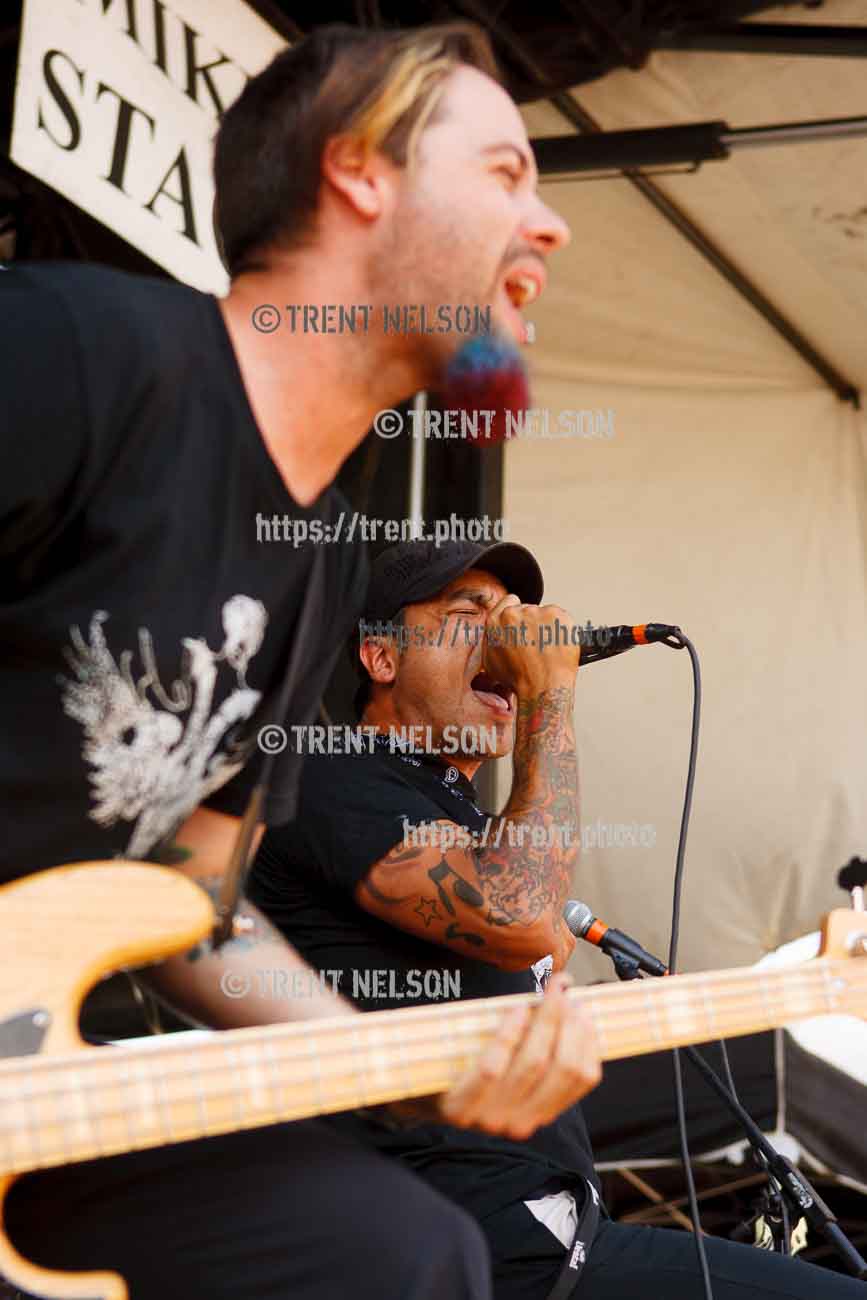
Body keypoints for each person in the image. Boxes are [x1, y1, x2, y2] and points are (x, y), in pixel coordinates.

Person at [0, 23, 601, 1300]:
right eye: (506, 173)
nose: (547, 226)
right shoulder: (80, 357)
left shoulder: (316, 553)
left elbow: (192, 890)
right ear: (359, 172)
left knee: (400, 1252)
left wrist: (399, 1061)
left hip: (38, 1085)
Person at [249, 537, 867, 1300]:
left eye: (512, 615)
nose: (508, 634)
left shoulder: (470, 824)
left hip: (534, 1238)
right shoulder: (331, 775)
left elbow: (532, 929)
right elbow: (518, 910)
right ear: (380, 659)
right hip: (450, 1236)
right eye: (466, 612)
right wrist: (551, 693)